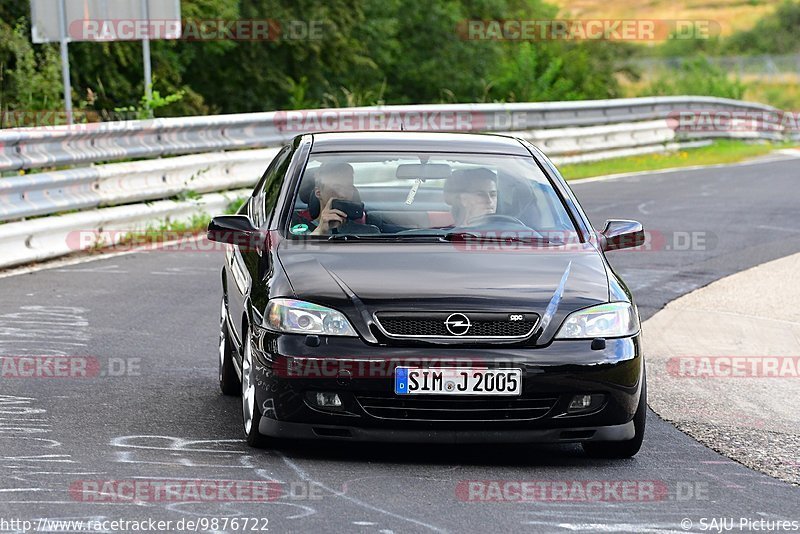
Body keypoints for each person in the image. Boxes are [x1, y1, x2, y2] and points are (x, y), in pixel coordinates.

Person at [291, 162, 379, 236]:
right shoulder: (295, 225)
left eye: (348, 188)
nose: (342, 194)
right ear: (318, 193)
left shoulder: (368, 233)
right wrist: (320, 231)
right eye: (336, 188)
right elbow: (292, 254)